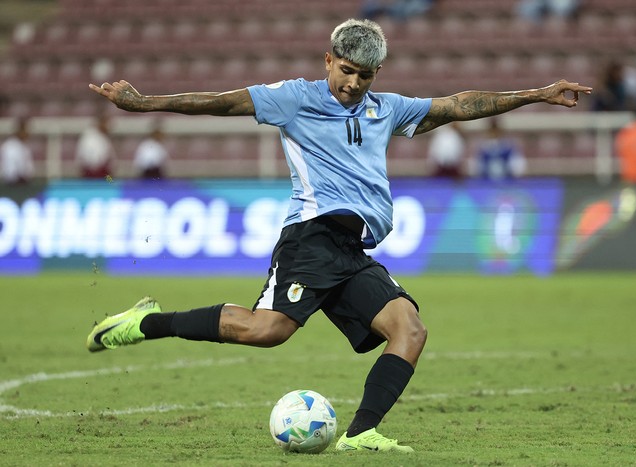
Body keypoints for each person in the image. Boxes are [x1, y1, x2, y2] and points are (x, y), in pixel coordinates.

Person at [86, 18, 591, 453]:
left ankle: (360, 434)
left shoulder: (386, 108)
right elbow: (220, 102)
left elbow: (458, 105)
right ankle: (146, 322)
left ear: (377, 74)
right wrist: (145, 103)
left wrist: (536, 94)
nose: (352, 83)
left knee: (409, 330)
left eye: (364, 75)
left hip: (353, 250)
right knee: (268, 332)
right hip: (312, 237)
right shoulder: (294, 99)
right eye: (345, 70)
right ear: (328, 60)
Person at [1, 118, 34, 184]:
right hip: (12, 184)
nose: (27, 133)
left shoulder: (25, 146)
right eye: (24, 130)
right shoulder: (9, 146)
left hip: (24, 182)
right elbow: (10, 172)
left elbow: (29, 169)